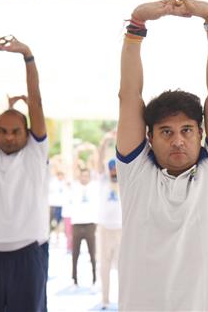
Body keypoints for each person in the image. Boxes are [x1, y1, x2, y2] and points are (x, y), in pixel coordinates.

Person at [116, 0, 208, 310]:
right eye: (166, 132)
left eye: (186, 130)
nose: (178, 140)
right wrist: (137, 25)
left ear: (201, 133)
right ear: (150, 137)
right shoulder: (136, 174)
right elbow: (129, 96)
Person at [0, 35, 49, 311]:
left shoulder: (36, 152)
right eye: (2, 131)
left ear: (27, 133)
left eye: (16, 131)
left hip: (29, 251)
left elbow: (36, 101)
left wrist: (27, 55)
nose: (9, 137)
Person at [97, 131, 122, 310]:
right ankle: (105, 299)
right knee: (104, 266)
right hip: (105, 228)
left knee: (123, 267)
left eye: (116, 168)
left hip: (121, 229)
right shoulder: (103, 180)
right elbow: (99, 163)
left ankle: (122, 299)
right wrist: (104, 142)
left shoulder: (125, 182)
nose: (114, 171)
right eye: (111, 168)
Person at [70, 166, 100, 287]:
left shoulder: (94, 187)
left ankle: (94, 278)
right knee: (75, 254)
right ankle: (74, 278)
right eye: (83, 175)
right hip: (77, 224)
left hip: (90, 224)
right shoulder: (74, 186)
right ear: (79, 176)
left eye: (87, 175)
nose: (84, 178)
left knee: (92, 253)